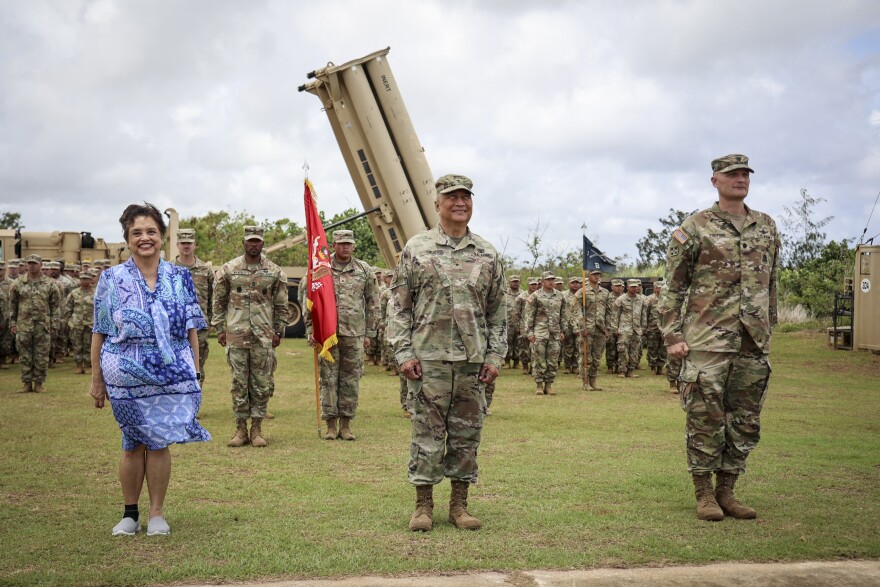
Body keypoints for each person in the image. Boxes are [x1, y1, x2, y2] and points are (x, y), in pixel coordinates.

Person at [659, 153, 780, 522]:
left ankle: (728, 490)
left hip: (752, 342)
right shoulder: (695, 227)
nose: (740, 179)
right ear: (715, 180)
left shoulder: (766, 225)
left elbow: (772, 282)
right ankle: (704, 493)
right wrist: (672, 334)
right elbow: (672, 286)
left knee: (745, 419)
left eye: (745, 174)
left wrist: (769, 326)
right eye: (732, 174)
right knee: (704, 416)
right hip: (707, 340)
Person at [389, 173, 506, 532]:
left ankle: (459, 505)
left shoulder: (487, 253)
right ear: (437, 205)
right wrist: (404, 353)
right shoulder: (417, 249)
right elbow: (399, 307)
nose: (460, 203)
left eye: (466, 197)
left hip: (473, 363)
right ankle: (423, 506)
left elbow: (498, 312)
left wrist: (494, 357)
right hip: (428, 361)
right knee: (426, 433)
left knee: (467, 434)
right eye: (452, 197)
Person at [89, 203, 211, 537]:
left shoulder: (180, 277)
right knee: (132, 443)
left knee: (159, 442)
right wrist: (97, 380)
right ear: (127, 239)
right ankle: (130, 514)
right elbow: (99, 331)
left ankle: (157, 514)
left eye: (151, 232)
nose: (145, 238)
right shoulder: (111, 279)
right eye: (137, 233)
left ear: (162, 236)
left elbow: (191, 330)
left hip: (171, 374)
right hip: (124, 375)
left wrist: (195, 373)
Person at [213, 226, 289, 448]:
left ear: (262, 243)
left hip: (263, 336)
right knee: (239, 382)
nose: (253, 244)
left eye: (257, 241)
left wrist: (278, 330)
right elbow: (219, 300)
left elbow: (281, 304)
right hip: (236, 335)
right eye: (250, 241)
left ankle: (256, 429)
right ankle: (240, 429)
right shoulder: (230, 269)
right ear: (244, 243)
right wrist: (219, 328)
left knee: (261, 383)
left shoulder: (274, 271)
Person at [305, 229, 379, 441]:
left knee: (351, 379)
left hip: (354, 333)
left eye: (349, 243)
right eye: (341, 243)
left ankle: (345, 425)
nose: (345, 247)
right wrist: (311, 330)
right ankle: (330, 424)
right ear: (334, 245)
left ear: (353, 245)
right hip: (327, 334)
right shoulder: (321, 269)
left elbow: (373, 302)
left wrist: (370, 332)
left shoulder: (364, 270)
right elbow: (310, 301)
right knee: (328, 378)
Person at [9, 254, 60, 392]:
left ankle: (39, 383)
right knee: (24, 355)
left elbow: (55, 306)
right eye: (29, 263)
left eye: (35, 263)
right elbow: (13, 305)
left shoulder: (50, 284)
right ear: (26, 265)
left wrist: (55, 324)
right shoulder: (18, 283)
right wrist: (12, 323)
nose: (32, 265)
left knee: (41, 355)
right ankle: (26, 383)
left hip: (42, 326)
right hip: (23, 325)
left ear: (41, 265)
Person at [173, 229, 214, 381]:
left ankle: (195, 402)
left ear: (195, 245)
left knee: (198, 369)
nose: (186, 246)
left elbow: (213, 297)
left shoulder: (205, 270)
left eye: (189, 243)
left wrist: (211, 321)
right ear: (177, 245)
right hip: (175, 328)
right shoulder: (168, 269)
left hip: (199, 328)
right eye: (183, 243)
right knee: (176, 368)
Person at [525, 271, 566, 395]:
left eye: (553, 279)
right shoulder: (535, 296)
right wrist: (529, 332)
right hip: (539, 332)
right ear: (542, 281)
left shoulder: (560, 296)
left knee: (553, 360)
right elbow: (528, 315)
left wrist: (563, 330)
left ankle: (548, 385)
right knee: (538, 359)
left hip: (554, 333)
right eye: (548, 280)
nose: (551, 282)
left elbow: (563, 314)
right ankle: (539, 385)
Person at [571, 269, 611, 391]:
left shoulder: (605, 292)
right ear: (588, 276)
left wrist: (608, 328)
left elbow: (608, 311)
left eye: (598, 274)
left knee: (597, 357)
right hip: (587, 329)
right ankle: (585, 382)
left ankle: (593, 381)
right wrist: (581, 327)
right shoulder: (582, 292)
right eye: (594, 274)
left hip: (600, 329)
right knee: (586, 357)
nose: (596, 276)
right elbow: (575, 310)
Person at [611, 279, 647, 378]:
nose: (635, 288)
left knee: (634, 350)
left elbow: (643, 314)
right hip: (624, 329)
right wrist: (615, 328)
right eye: (632, 287)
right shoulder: (621, 299)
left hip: (636, 329)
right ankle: (622, 370)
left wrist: (643, 327)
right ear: (627, 287)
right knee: (622, 349)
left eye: (636, 286)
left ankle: (630, 370)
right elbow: (615, 314)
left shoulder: (641, 299)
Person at [64, 269, 97, 374]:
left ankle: (87, 365)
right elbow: (68, 308)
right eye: (82, 279)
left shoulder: (96, 293)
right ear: (79, 279)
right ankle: (78, 365)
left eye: (87, 279)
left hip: (91, 324)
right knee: (77, 345)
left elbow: (100, 309)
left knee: (89, 345)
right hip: (76, 323)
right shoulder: (74, 293)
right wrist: (66, 321)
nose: (84, 281)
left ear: (91, 279)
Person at [645, 279, 667, 377]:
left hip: (663, 328)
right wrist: (645, 326)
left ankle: (660, 368)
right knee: (652, 348)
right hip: (652, 328)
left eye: (661, 288)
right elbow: (645, 314)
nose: (659, 290)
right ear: (654, 288)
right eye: (657, 288)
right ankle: (653, 367)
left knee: (663, 349)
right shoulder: (649, 299)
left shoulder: (666, 300)